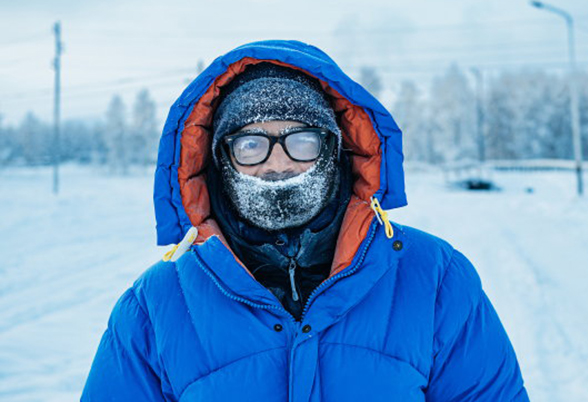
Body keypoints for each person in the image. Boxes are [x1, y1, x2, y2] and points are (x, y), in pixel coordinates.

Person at [81, 39, 529, 401]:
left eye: (301, 141)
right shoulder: (155, 306)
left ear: (334, 151)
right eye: (251, 144)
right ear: (221, 159)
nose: (278, 164)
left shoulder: (434, 277)